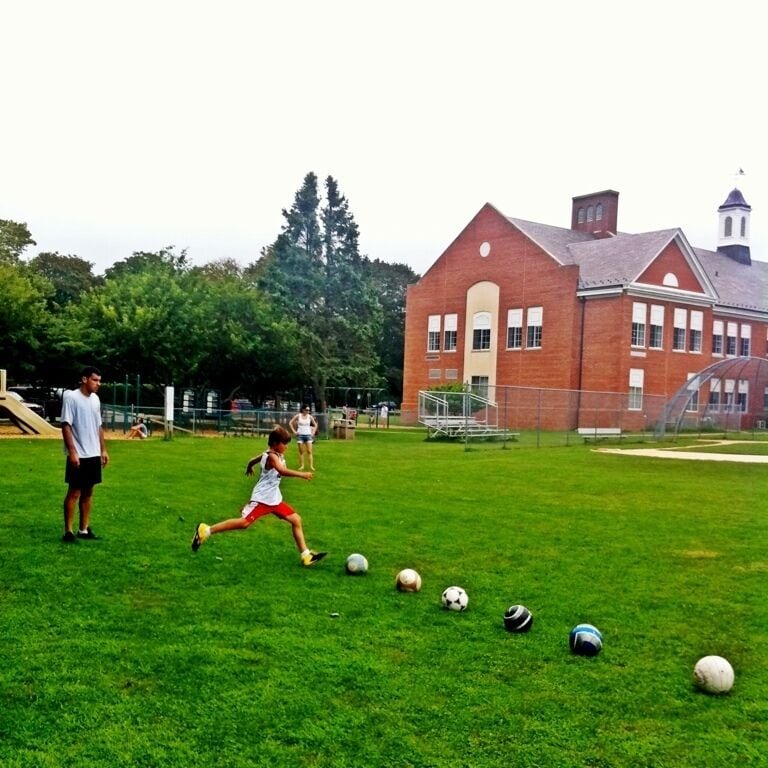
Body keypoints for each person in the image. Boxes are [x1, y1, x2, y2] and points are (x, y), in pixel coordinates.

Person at [191, 425, 327, 567]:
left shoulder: (269, 453)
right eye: (284, 444)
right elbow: (282, 470)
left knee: (296, 520)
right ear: (275, 444)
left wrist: (250, 466)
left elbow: (252, 460)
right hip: (263, 499)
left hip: (274, 499)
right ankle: (205, 530)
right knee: (244, 523)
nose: (286, 447)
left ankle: (306, 556)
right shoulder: (272, 456)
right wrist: (302, 474)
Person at [60, 365, 109, 542]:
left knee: (88, 493)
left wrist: (103, 449)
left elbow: (98, 426)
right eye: (95, 380)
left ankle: (84, 529)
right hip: (79, 454)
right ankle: (68, 531)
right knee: (74, 492)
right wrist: (72, 452)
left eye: (99, 381)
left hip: (93, 453)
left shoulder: (95, 400)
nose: (98, 384)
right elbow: (66, 425)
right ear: (84, 379)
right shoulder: (71, 398)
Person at [289, 404, 318, 470]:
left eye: (309, 410)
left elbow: (315, 425)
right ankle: (302, 466)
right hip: (300, 435)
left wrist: (313, 432)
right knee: (301, 452)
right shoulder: (298, 416)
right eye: (307, 410)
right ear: (303, 410)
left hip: (308, 435)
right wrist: (294, 431)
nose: (308, 411)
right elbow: (290, 423)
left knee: (309, 451)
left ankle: (311, 466)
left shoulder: (310, 417)